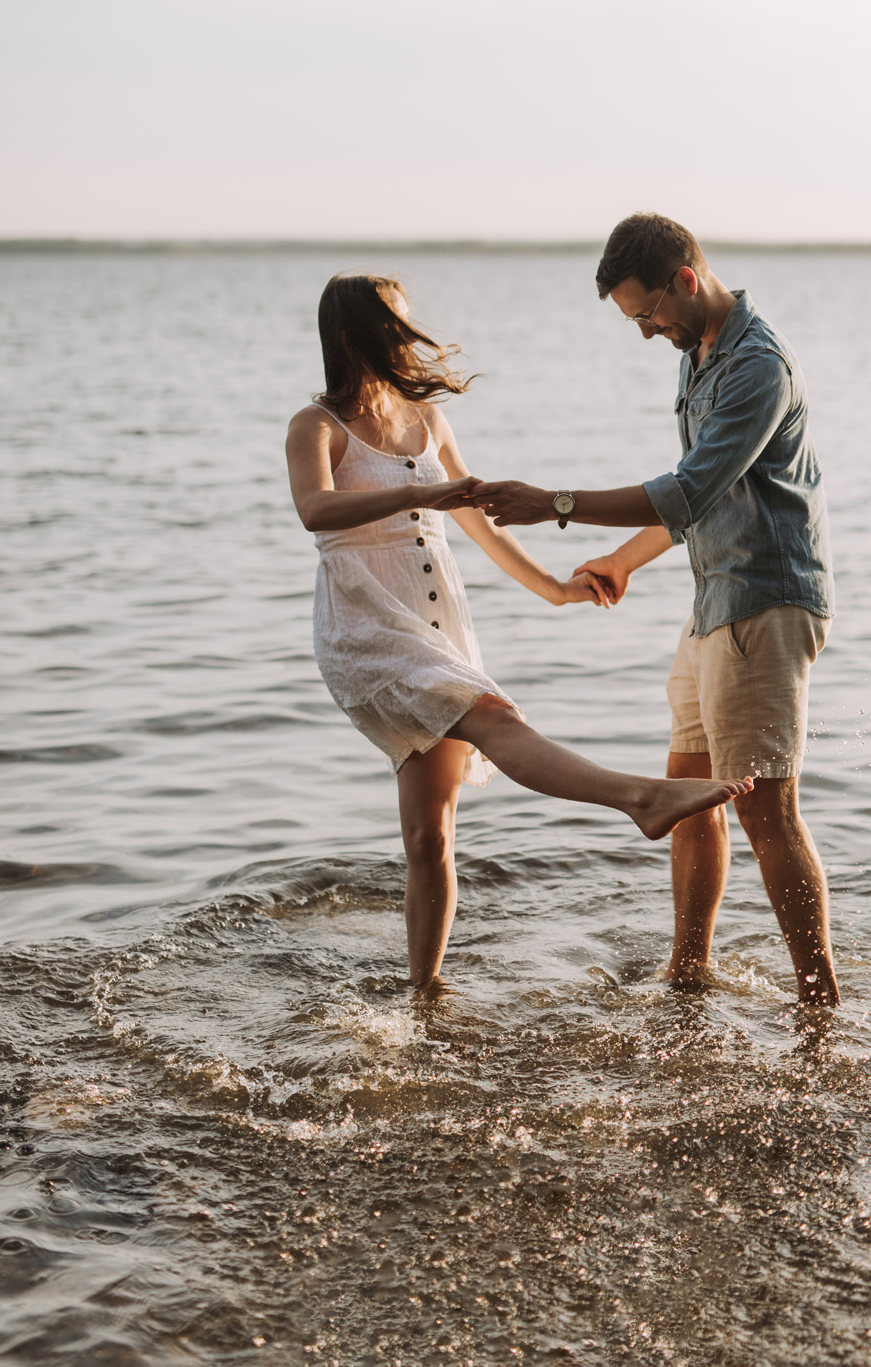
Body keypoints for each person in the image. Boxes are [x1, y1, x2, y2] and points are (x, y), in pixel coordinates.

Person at [285, 271, 753, 988]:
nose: (407, 337)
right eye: (393, 325)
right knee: (497, 719)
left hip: (437, 621)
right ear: (354, 335)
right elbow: (315, 511)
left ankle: (424, 993)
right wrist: (422, 492)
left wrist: (557, 590)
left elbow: (476, 522)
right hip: (366, 626)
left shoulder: (426, 420)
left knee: (427, 832)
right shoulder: (317, 426)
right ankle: (640, 799)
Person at [471, 214, 840, 1005]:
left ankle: (820, 1004)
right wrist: (622, 558)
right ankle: (689, 973)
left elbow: (687, 489)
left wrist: (555, 504)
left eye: (647, 315)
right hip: (715, 602)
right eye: (634, 322)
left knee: (767, 813)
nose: (646, 334)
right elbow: (693, 505)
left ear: (684, 278)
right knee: (687, 796)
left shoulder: (756, 366)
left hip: (765, 604)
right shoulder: (697, 354)